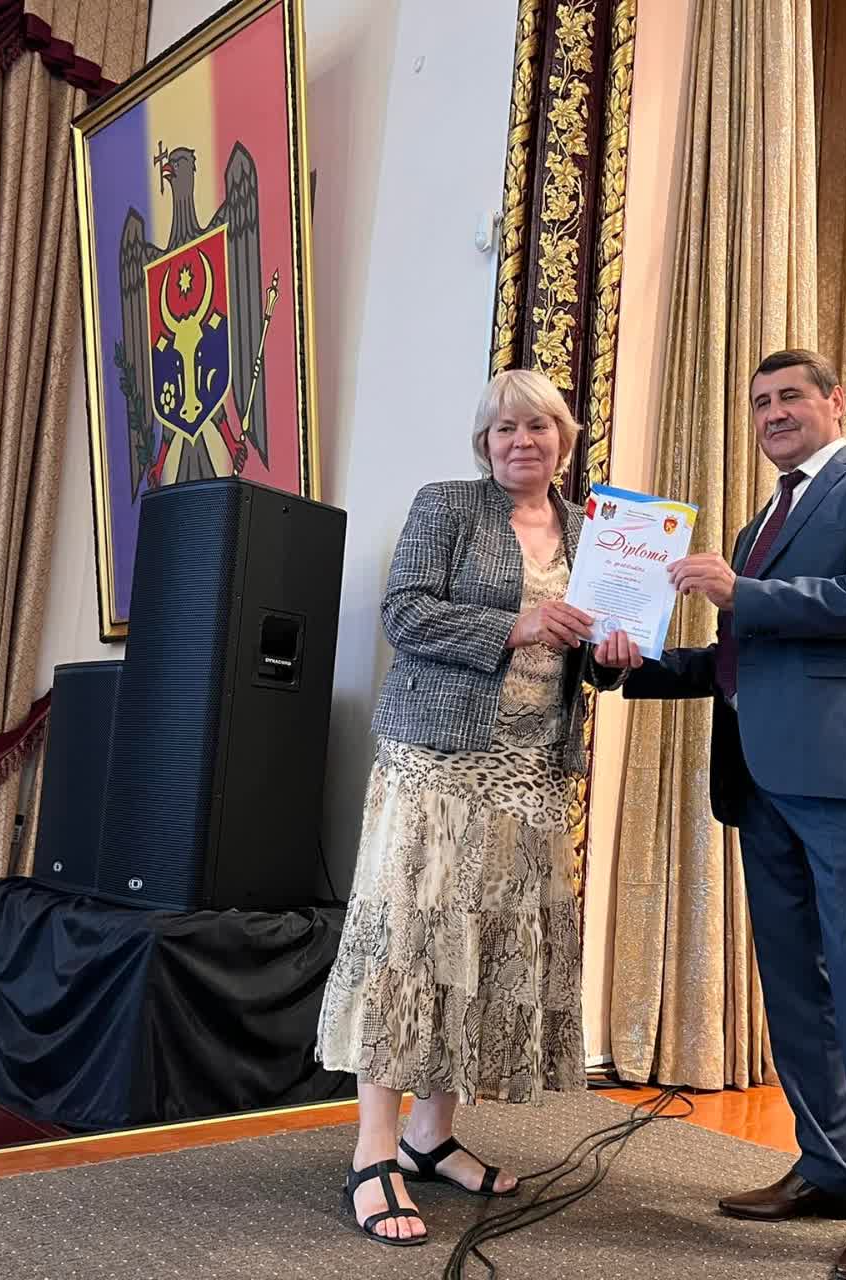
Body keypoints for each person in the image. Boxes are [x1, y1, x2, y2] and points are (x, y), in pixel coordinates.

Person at [593, 349, 846, 1279]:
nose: (774, 413)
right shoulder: (755, 528)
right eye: (760, 403)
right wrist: (626, 663)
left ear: (835, 401)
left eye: (790, 396)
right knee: (792, 985)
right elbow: (734, 663)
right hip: (761, 779)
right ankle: (828, 1170)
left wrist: (740, 592)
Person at [315, 368, 601, 1247]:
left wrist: (620, 650)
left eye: (538, 426)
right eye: (504, 429)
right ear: (484, 443)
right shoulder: (447, 506)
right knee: (407, 948)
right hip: (436, 762)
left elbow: (597, 652)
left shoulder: (591, 531)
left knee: (476, 949)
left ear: (563, 438)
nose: (521, 441)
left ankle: (430, 1137)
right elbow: (405, 615)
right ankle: (374, 1150)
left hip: (532, 769)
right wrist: (515, 626)